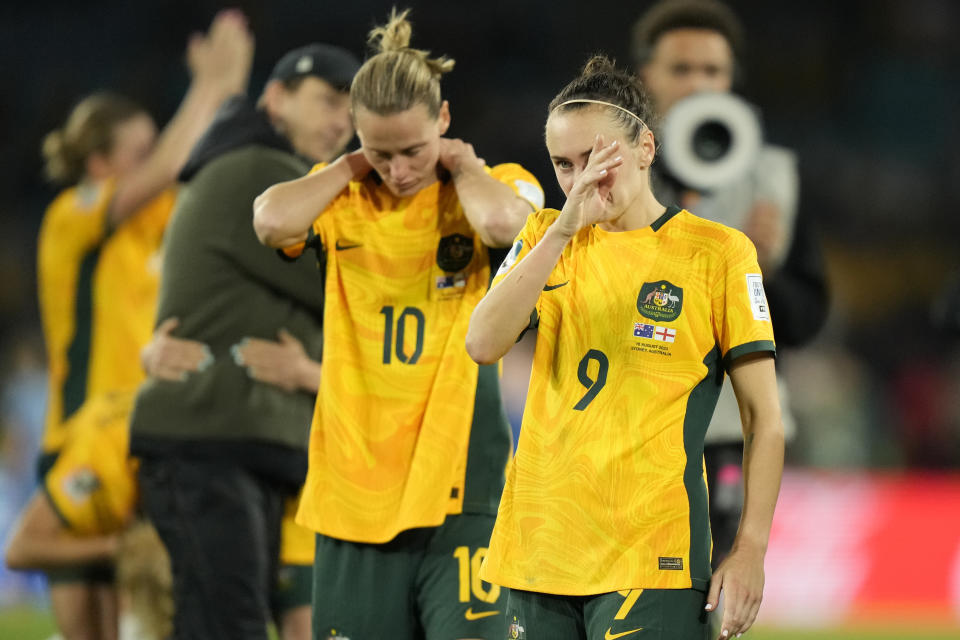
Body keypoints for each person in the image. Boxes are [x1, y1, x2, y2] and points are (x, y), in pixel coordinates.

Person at [465, 56, 784, 640]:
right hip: (536, 550)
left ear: (646, 148)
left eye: (597, 158)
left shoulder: (718, 253)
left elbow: (764, 417)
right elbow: (482, 343)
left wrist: (750, 550)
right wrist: (562, 228)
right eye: (564, 164)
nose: (582, 179)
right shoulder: (544, 237)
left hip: (651, 557)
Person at [253, 9, 544, 639]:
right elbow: (271, 220)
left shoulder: (489, 186)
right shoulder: (343, 198)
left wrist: (463, 168)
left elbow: (505, 227)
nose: (400, 169)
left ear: (443, 120)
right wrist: (348, 167)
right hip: (354, 488)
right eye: (380, 152)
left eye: (413, 149)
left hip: (463, 485)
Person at [23, 11, 253, 640]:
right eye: (141, 153)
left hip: (152, 434)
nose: (159, 163)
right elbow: (172, 165)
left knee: (156, 621)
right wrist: (206, 85)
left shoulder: (161, 220)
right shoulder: (75, 218)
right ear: (100, 165)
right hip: (84, 434)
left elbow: (206, 160)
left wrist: (228, 92)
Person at [128, 41, 361, 640]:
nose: (343, 121)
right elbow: (346, 289)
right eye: (329, 100)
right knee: (226, 626)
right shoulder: (263, 174)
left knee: (223, 622)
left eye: (352, 109)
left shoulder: (249, 164)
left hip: (226, 440)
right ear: (276, 97)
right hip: (210, 438)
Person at [631, 0, 829, 582]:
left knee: (710, 592)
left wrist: (758, 273)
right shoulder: (609, 171)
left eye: (712, 71)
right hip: (629, 425)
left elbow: (806, 318)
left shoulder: (771, 178)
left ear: (730, 79)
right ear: (647, 76)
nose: (699, 84)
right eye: (682, 69)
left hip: (727, 431)